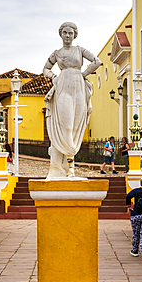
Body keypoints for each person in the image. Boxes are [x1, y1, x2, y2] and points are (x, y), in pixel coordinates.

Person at [42, 21, 102, 179]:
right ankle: (70, 167)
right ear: (60, 34)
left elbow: (97, 61)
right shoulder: (56, 53)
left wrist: (84, 74)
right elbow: (45, 69)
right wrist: (53, 77)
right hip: (63, 86)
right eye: (65, 33)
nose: (67, 36)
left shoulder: (80, 50)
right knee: (67, 126)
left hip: (79, 88)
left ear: (75, 35)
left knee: (75, 127)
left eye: (70, 33)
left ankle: (69, 164)